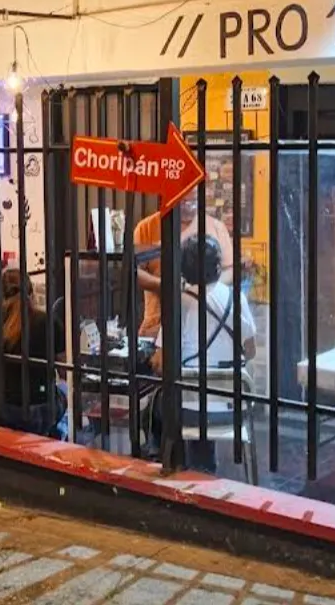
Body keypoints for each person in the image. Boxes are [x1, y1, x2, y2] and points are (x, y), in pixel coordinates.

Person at [149, 234, 256, 472]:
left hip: (189, 410)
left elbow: (160, 363)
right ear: (218, 266)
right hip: (233, 409)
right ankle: (201, 466)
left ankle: (169, 464)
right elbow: (250, 351)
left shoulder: (180, 303)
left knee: (156, 404)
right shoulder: (236, 299)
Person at [0, 268, 66, 438]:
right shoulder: (47, 322)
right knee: (64, 390)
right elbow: (65, 371)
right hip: (36, 410)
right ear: (31, 293)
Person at [134, 196, 234, 338]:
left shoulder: (216, 227)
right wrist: (164, 285)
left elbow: (230, 269)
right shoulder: (147, 227)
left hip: (207, 325)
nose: (189, 203)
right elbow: (133, 271)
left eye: (193, 198)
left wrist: (202, 290)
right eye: (183, 198)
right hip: (157, 325)